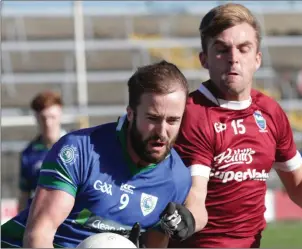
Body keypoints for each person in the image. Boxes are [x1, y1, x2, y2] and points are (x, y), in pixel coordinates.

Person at [160, 3, 302, 248]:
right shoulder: (191, 113)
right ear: (204, 59)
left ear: (257, 59)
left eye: (244, 49)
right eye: (222, 49)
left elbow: (299, 185)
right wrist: (187, 219)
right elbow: (196, 197)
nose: (234, 58)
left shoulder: (270, 112)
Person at [1, 60, 191, 248]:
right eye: (152, 118)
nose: (162, 131)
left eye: (173, 120)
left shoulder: (177, 178)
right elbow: (38, 237)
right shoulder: (78, 150)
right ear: (131, 114)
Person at [18, 91, 67, 211]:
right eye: (43, 118)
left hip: (70, 219)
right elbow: (24, 194)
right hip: (41, 219)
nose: (48, 123)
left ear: (60, 113)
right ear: (36, 117)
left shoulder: (77, 146)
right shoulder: (28, 154)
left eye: (52, 117)